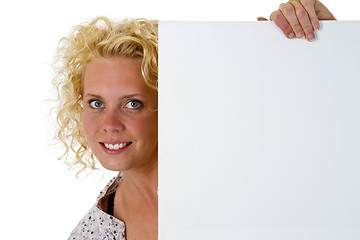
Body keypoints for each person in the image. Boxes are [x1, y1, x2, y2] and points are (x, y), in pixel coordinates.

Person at [52, 1, 335, 239]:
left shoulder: (239, 176)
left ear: (171, 103)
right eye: (96, 103)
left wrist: (326, 50)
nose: (110, 124)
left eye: (133, 103)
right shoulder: (90, 233)